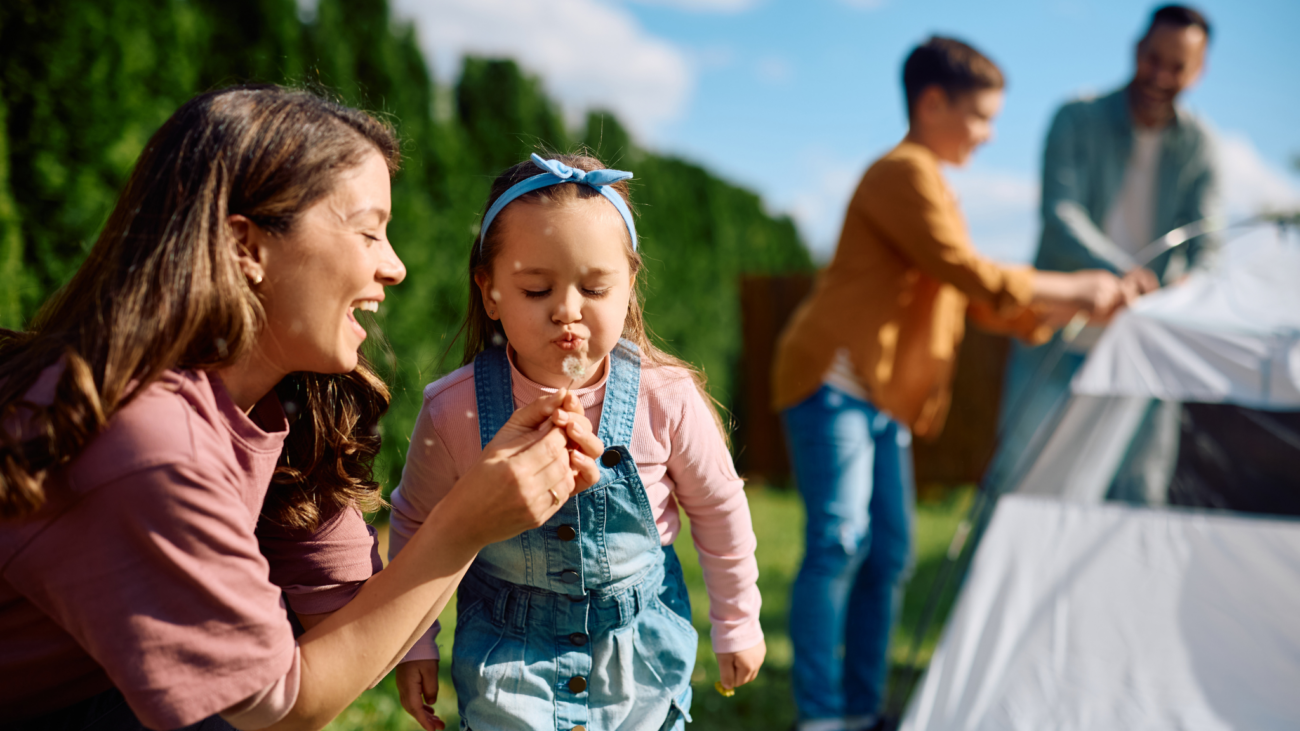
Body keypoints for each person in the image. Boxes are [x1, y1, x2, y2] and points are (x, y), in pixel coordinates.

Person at [0, 86, 605, 731]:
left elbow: (346, 624)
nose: (395, 267)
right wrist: (461, 526)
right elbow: (279, 707)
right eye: (369, 231)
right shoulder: (147, 442)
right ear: (247, 247)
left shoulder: (283, 407)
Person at [771, 38, 1133, 731]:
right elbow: (970, 271)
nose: (990, 135)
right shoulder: (902, 173)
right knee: (840, 541)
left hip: (882, 398)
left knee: (892, 554)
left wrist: (1081, 303)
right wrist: (1080, 285)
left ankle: (861, 707)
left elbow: (988, 301)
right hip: (834, 382)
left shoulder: (938, 187)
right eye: (981, 118)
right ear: (932, 103)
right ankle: (821, 715)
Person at [387, 153, 766, 731]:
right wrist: (415, 643)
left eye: (594, 287)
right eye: (537, 289)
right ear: (490, 292)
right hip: (507, 662)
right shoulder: (454, 410)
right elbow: (416, 522)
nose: (567, 310)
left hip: (639, 661)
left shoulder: (666, 398)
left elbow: (719, 508)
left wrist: (738, 620)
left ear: (629, 285)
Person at [995, 4, 1219, 501]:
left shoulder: (1201, 147)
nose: (1160, 75)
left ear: (1198, 73)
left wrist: (1190, 286)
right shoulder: (1075, 117)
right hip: (1056, 334)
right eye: (1152, 58)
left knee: (1138, 489)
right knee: (1020, 478)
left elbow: (1210, 244)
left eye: (1176, 66)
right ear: (1136, 51)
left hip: (1145, 347)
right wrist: (1126, 274)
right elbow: (1061, 212)